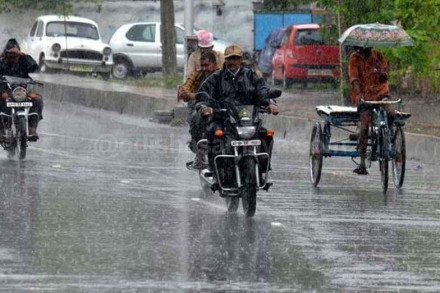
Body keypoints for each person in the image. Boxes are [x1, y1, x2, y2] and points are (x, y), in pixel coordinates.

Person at [196, 44, 280, 174]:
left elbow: (263, 90)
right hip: (223, 119)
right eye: (230, 58)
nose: (232, 62)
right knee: (214, 133)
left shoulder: (251, 76)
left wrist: (270, 103)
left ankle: (263, 169)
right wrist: (205, 107)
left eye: (236, 58)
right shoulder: (216, 77)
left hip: (247, 120)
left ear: (241, 60)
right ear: (225, 59)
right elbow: (203, 94)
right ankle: (214, 170)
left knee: (266, 135)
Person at [349, 46, 393, 175]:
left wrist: (381, 72)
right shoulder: (354, 58)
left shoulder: (378, 56)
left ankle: (389, 140)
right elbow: (354, 78)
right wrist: (359, 93)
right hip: (364, 96)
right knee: (364, 128)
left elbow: (385, 77)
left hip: (381, 94)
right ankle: (362, 163)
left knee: (391, 114)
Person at [177, 50, 220, 169]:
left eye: (207, 65)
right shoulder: (199, 75)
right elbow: (185, 89)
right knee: (196, 121)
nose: (204, 68)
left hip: (222, 107)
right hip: (204, 106)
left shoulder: (222, 75)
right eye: (202, 66)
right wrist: (194, 95)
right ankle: (199, 154)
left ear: (215, 64)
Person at [0, 38, 42, 141]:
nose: (13, 56)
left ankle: (32, 128)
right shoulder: (2, 61)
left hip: (22, 90)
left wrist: (24, 55)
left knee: (37, 99)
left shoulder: (23, 60)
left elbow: (35, 67)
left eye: (15, 54)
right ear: (6, 53)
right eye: (10, 54)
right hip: (5, 90)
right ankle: (1, 131)